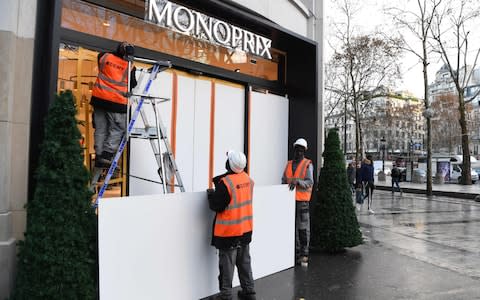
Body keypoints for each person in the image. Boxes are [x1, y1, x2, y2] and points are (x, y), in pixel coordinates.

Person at [207, 150, 256, 300]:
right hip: (245, 230)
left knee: (226, 266)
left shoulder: (226, 183)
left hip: (229, 233)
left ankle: (225, 295)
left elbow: (216, 205)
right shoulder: (248, 179)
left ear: (229, 164)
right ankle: (249, 291)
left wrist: (210, 194)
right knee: (244, 263)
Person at [90, 41, 137, 167]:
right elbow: (132, 84)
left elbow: (102, 65)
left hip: (99, 99)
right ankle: (107, 154)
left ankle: (99, 155)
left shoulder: (104, 57)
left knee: (100, 128)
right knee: (118, 128)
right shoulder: (130, 66)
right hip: (116, 102)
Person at [282, 138, 314, 266]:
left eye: (301, 150)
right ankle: (293, 253)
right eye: (297, 149)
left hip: (302, 202)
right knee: (290, 228)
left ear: (304, 151)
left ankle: (304, 254)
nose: (298, 152)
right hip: (289, 202)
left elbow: (310, 182)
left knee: (302, 229)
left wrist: (298, 182)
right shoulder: (289, 164)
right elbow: (284, 179)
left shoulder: (307, 164)